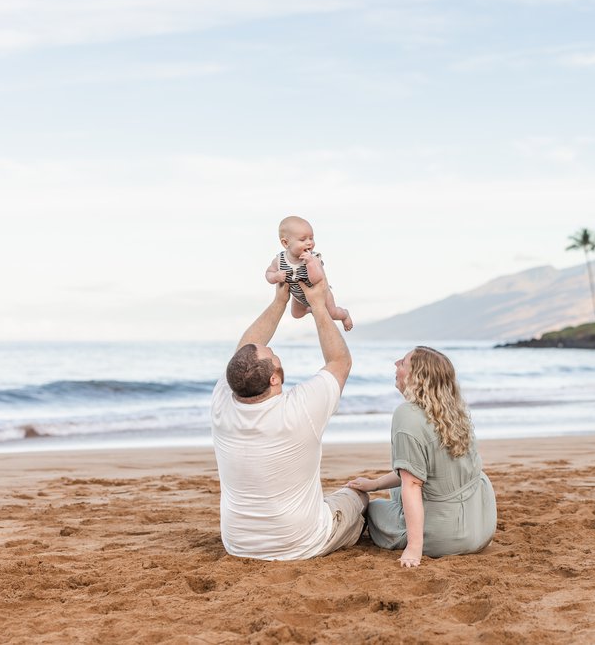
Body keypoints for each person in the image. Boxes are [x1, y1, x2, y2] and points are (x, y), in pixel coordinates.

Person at [211, 277, 368, 560]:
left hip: (237, 544)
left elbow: (246, 349)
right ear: (274, 378)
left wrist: (280, 301)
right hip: (303, 543)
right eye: (273, 355)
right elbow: (340, 362)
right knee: (358, 497)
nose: (273, 351)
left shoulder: (223, 402)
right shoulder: (300, 409)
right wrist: (318, 306)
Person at [346, 346, 497, 567]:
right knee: (396, 489)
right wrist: (375, 484)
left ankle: (416, 538)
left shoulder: (407, 415)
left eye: (403, 363)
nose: (396, 364)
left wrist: (414, 548)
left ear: (416, 377)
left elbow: (413, 484)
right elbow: (422, 470)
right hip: (481, 525)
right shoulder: (452, 411)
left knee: (375, 508)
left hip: (446, 536)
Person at [265, 215, 353, 331]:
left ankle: (345, 314)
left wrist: (310, 263)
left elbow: (316, 279)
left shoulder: (313, 258)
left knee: (332, 314)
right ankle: (312, 309)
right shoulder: (280, 260)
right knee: (296, 314)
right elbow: (269, 273)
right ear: (286, 243)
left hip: (321, 294)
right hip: (299, 296)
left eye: (311, 238)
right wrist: (275, 276)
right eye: (303, 240)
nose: (309, 243)